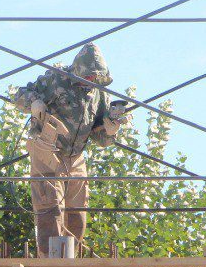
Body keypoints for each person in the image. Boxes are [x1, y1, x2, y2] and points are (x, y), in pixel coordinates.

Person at [11, 43, 128, 256]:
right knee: (50, 209)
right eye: (88, 76)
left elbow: (99, 137)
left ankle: (71, 262)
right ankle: (50, 262)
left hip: (76, 157)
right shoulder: (56, 79)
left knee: (78, 213)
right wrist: (34, 102)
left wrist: (111, 131)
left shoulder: (99, 94)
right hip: (48, 151)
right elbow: (19, 95)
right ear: (78, 71)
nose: (91, 80)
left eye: (95, 77)